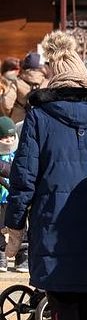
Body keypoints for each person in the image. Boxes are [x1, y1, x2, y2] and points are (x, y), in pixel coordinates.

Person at [4, 31, 87, 320]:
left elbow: (23, 177)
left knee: (62, 306)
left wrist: (14, 227)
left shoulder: (39, 117)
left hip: (52, 226)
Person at [0, 115, 17, 271]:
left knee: (18, 227)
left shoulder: (17, 153)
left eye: (11, 136)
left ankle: (22, 255)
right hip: (1, 196)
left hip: (13, 197)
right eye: (5, 137)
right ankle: (1, 255)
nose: (9, 140)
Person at [11, 52, 47, 123]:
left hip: (18, 119)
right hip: (39, 120)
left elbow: (7, 103)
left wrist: (9, 115)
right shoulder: (46, 83)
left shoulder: (17, 82)